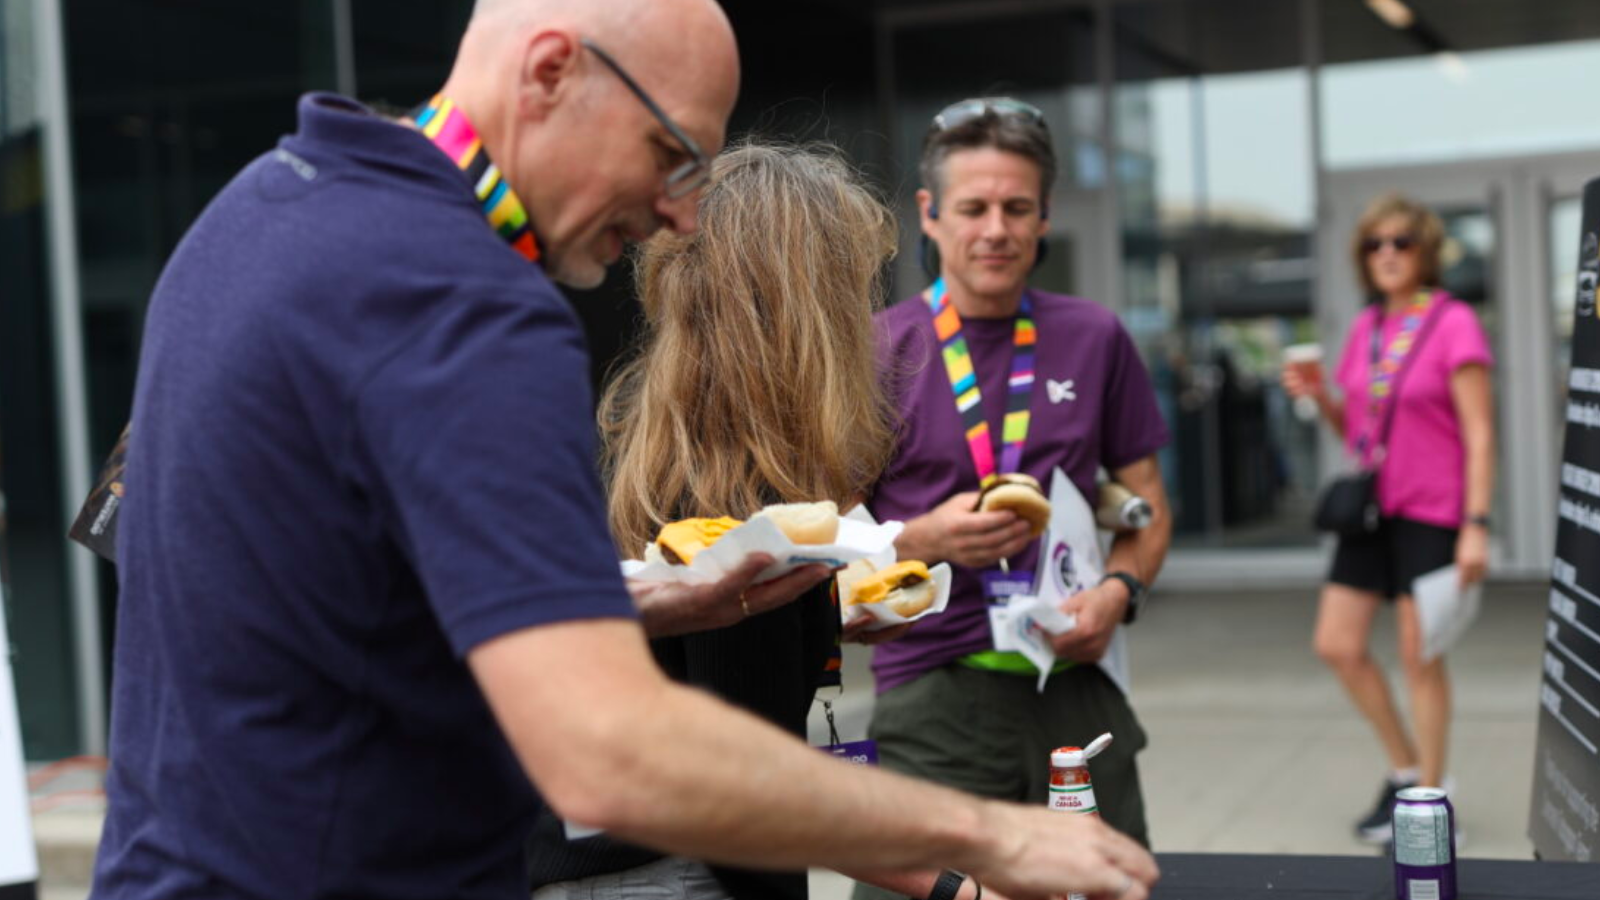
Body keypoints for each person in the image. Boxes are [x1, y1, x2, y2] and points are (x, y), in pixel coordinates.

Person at [89, 2, 1159, 899]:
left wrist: (643, 603)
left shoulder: (261, 206)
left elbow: (310, 592)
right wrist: (985, 839)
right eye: (669, 154)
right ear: (552, 69)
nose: (676, 214)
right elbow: (605, 753)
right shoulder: (468, 307)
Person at [529, 141, 997, 900]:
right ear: (809, 311)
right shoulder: (742, 489)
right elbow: (752, 787)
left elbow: (678, 657)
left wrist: (826, 613)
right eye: (851, 287)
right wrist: (962, 889)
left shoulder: (632, 436)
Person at [854, 98, 1174, 900]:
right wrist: (923, 537)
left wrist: (1118, 592)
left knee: (1110, 890)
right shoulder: (877, 350)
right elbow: (827, 542)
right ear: (929, 215)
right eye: (973, 208)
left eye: (1016, 208)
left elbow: (1148, 507)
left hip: (1072, 688)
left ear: (1044, 217)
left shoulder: (1094, 336)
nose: (995, 228)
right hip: (934, 691)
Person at [1283, 192, 1495, 843]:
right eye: (1375, 244)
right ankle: (1406, 772)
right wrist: (1320, 397)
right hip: (1373, 508)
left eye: (1401, 242)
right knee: (1338, 644)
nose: (1387, 254)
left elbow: (1481, 432)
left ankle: (1433, 802)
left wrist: (1476, 524)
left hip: (1434, 509)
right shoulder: (1368, 328)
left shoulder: (1454, 322)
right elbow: (1360, 432)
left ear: (1425, 252)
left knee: (1419, 654)